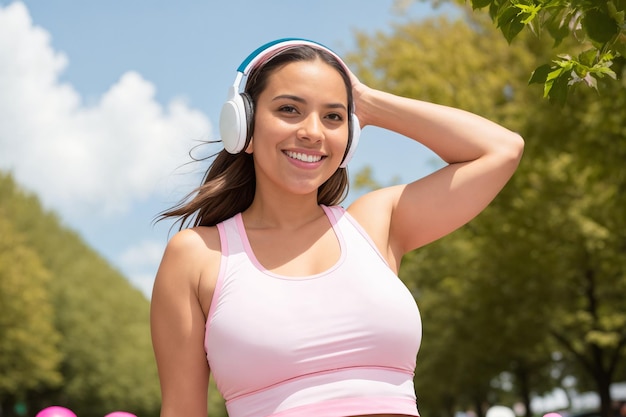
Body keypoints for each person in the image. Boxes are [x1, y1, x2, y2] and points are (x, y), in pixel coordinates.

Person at [150, 38, 524, 417]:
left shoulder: (377, 224)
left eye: (333, 117)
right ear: (243, 127)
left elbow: (502, 149)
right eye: (289, 110)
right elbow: (182, 410)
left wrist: (368, 102)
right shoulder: (197, 256)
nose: (313, 132)